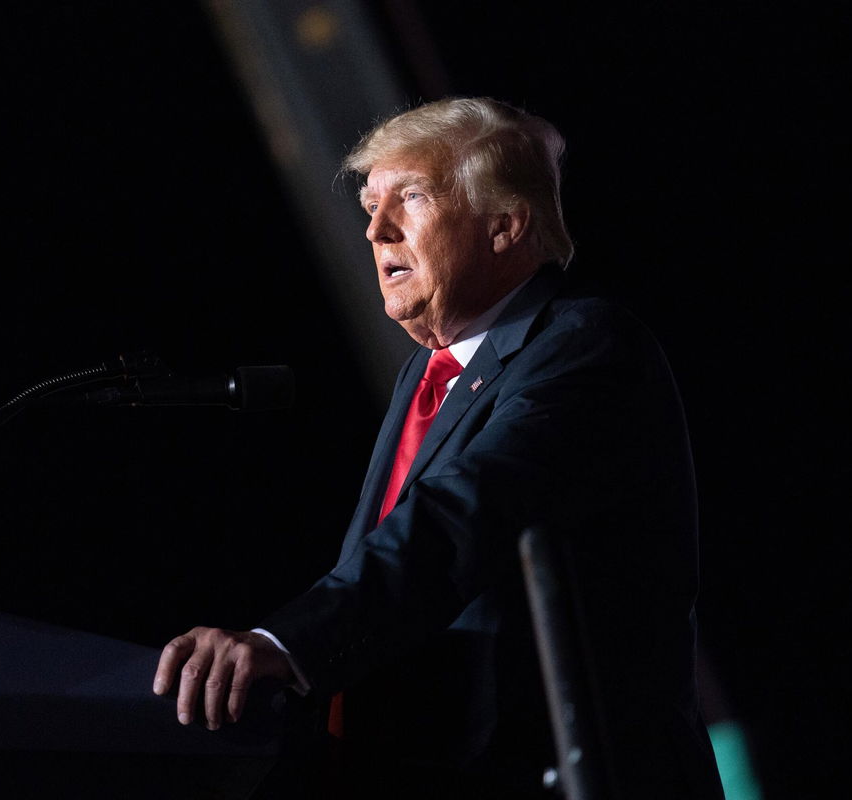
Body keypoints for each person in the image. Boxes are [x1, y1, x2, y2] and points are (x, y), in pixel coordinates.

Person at [153, 97, 724, 798]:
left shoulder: (585, 347)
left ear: (504, 226)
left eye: (411, 197)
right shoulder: (425, 376)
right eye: (370, 203)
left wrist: (285, 642)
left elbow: (460, 517)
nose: (375, 229)